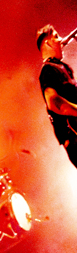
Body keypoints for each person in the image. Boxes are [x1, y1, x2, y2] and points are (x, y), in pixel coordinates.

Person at [37, 25, 77, 167]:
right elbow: (53, 102)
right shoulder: (48, 70)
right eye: (56, 36)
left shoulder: (64, 68)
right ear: (48, 43)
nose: (61, 39)